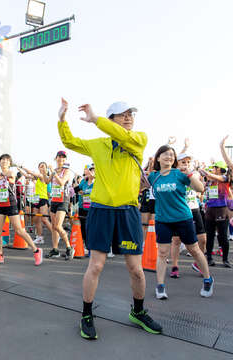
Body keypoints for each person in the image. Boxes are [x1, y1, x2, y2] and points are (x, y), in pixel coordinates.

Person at [58, 98, 162, 340]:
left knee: (136, 269)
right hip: (101, 211)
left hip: (128, 212)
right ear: (112, 118)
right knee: (95, 265)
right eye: (122, 115)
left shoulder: (138, 140)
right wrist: (62, 119)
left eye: (130, 115)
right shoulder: (99, 144)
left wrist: (96, 120)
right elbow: (69, 141)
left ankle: (138, 311)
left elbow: (120, 135)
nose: (128, 118)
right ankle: (86, 315)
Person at [148, 145, 213, 299]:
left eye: (172, 155)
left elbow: (200, 188)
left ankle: (208, 279)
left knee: (194, 249)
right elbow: (138, 185)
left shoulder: (179, 174)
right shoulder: (153, 176)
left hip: (183, 218)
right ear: (158, 158)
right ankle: (160, 286)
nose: (169, 157)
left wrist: (190, 174)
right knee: (163, 253)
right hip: (163, 219)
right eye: (165, 154)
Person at [0, 154, 43, 266]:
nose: (4, 161)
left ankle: (36, 250)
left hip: (11, 204)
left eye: (7, 160)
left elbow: (9, 174)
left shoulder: (11, 173)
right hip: (0, 205)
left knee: (19, 230)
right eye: (2, 160)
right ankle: (0, 256)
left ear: (10, 163)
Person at [169, 152, 207, 277]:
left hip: (194, 209)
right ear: (177, 163)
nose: (186, 164)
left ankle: (199, 264)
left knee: (202, 239)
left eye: (188, 162)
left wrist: (191, 176)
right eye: (183, 162)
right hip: (179, 211)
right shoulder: (173, 175)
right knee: (176, 240)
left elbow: (200, 189)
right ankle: (174, 266)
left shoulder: (194, 174)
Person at [201, 160, 231, 267]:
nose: (212, 169)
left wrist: (206, 172)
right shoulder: (210, 181)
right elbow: (203, 190)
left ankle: (225, 259)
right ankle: (209, 257)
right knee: (210, 235)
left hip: (222, 210)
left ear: (219, 169)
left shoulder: (225, 178)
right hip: (210, 210)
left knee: (223, 236)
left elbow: (217, 177)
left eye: (214, 167)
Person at [45, 152, 74, 260]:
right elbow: (47, 181)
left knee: (57, 226)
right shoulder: (54, 171)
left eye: (63, 157)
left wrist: (53, 172)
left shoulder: (66, 171)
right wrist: (44, 172)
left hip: (63, 200)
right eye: (59, 157)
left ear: (65, 160)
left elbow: (61, 182)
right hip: (54, 200)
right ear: (56, 158)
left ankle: (69, 247)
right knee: (53, 227)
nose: (61, 159)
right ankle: (55, 250)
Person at [19, 162, 53, 245]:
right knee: (36, 220)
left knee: (44, 219)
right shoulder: (37, 178)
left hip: (43, 199)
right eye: (40, 167)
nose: (42, 168)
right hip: (36, 199)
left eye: (43, 166)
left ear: (46, 168)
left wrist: (22, 166)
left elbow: (30, 172)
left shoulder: (43, 176)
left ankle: (56, 234)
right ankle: (39, 237)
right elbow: (27, 176)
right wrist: (18, 169)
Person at [75, 164, 95, 245]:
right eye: (87, 170)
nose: (88, 172)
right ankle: (87, 245)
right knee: (83, 227)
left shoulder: (97, 182)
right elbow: (76, 189)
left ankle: (93, 244)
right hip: (82, 207)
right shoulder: (84, 181)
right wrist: (79, 191)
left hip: (93, 208)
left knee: (92, 227)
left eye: (90, 170)